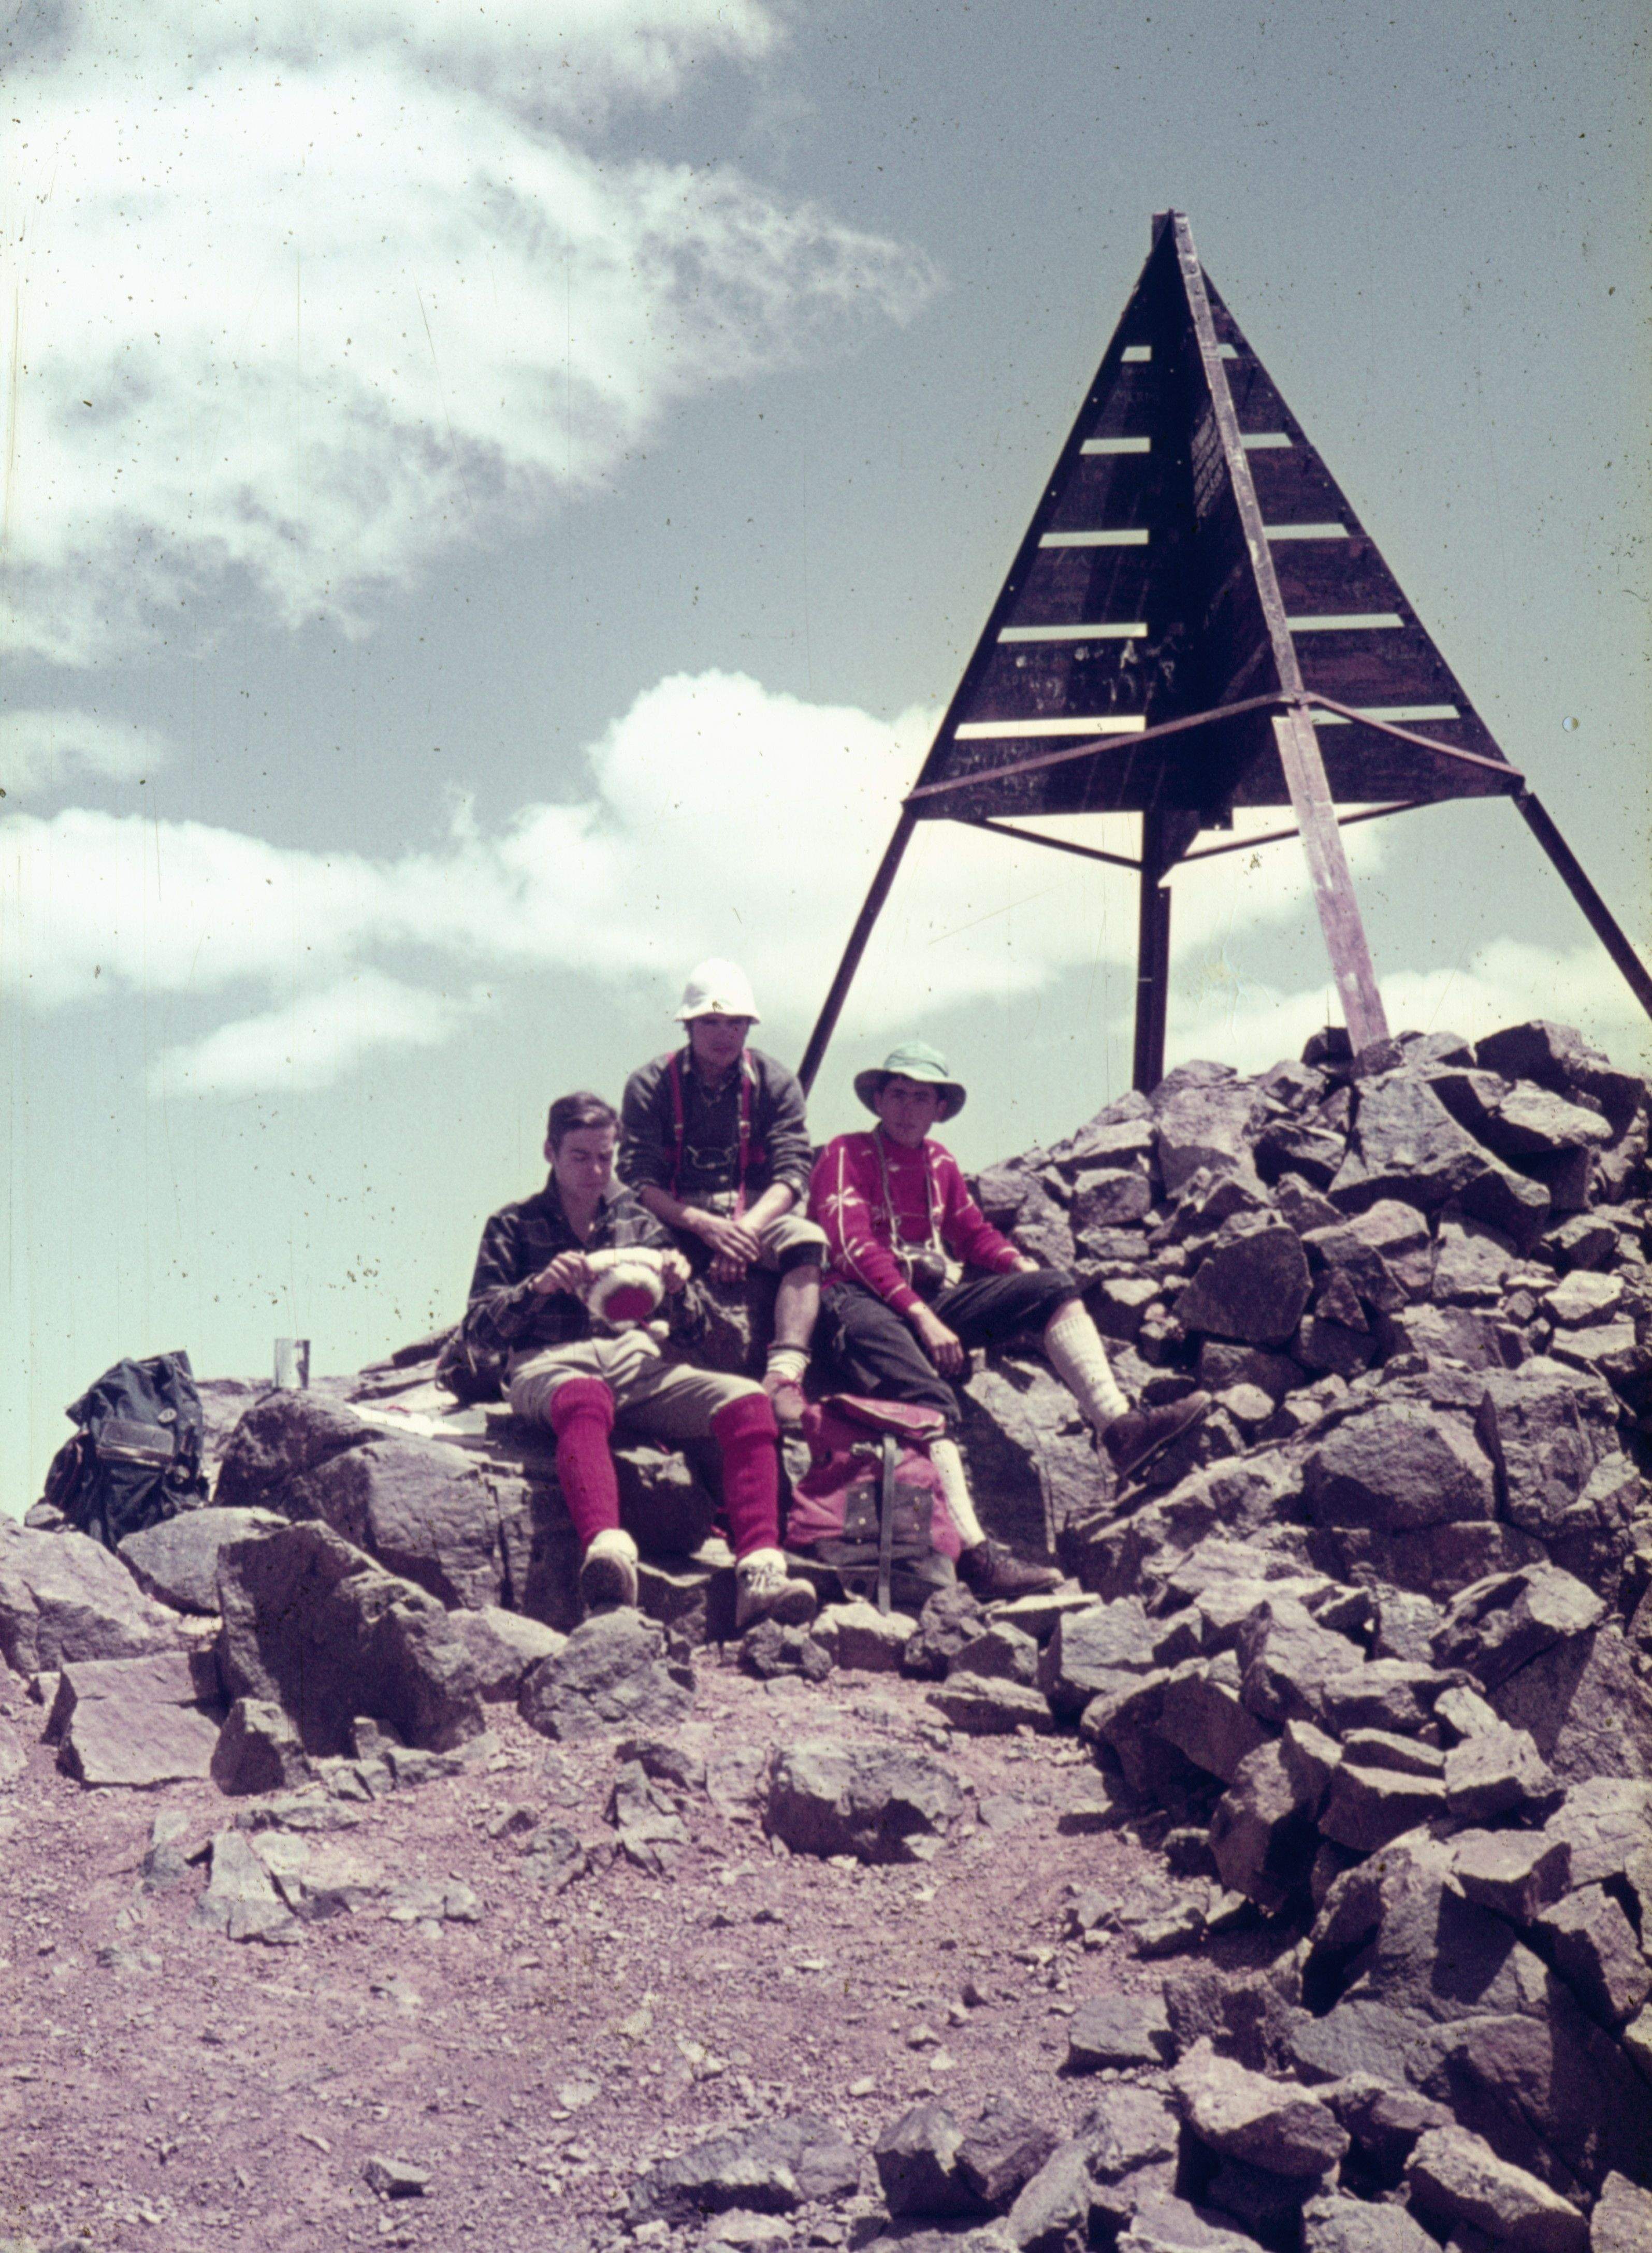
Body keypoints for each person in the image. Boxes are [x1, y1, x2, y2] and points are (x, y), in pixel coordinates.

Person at [809, 1041, 1208, 1598]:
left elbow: (972, 1235)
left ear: (939, 1108)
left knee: (1052, 1288)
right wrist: (924, 1319)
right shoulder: (844, 1153)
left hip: (926, 1298)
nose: (905, 1108)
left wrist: (1018, 1270)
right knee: (929, 1400)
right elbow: (851, 1246)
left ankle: (1120, 1429)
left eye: (920, 1098)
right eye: (895, 1094)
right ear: (876, 1099)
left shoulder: (940, 1162)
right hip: (854, 1302)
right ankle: (976, 1557)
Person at [458, 1089, 817, 1628]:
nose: (596, 1169)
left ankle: (760, 1574)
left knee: (747, 1401)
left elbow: (696, 1330)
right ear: (550, 1152)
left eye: (605, 1156)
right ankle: (607, 1556)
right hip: (545, 1362)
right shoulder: (513, 1224)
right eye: (580, 1156)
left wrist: (679, 1286)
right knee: (584, 1396)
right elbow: (478, 1332)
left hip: (636, 1360)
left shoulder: (637, 1218)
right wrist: (536, 1289)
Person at [620, 960, 827, 1431]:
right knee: (631, 1255)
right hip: (676, 1218)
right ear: (689, 1024)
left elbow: (794, 1172)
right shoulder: (650, 1084)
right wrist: (703, 1225)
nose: (724, 1034)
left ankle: (784, 1375)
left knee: (807, 1239)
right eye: (711, 1022)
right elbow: (637, 1178)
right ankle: (642, 1373)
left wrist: (744, 1233)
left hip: (753, 1213)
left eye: (736, 1023)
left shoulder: (775, 1083)